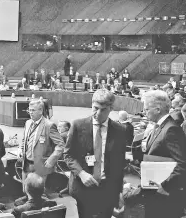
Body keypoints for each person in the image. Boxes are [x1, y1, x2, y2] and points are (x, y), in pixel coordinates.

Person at [64, 89, 131, 218]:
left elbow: (119, 164)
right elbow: (68, 155)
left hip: (107, 188)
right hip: (83, 187)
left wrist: (119, 192)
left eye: (103, 110)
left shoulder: (120, 130)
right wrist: (81, 173)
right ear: (91, 104)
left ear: (111, 109)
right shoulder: (78, 125)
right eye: (95, 108)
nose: (98, 113)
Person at [140, 90, 186, 218]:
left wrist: (164, 185)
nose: (144, 112)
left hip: (165, 196)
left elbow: (182, 164)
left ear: (158, 109)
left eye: (146, 109)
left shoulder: (171, 129)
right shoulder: (160, 126)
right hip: (155, 191)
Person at [20, 99, 64, 192]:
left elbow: (60, 145)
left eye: (33, 110)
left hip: (40, 164)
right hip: (27, 163)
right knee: (25, 190)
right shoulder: (28, 123)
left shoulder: (49, 125)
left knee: (38, 192)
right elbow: (25, 139)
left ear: (40, 111)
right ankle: (28, 202)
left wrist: (52, 159)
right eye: (29, 110)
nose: (30, 113)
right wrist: (21, 149)